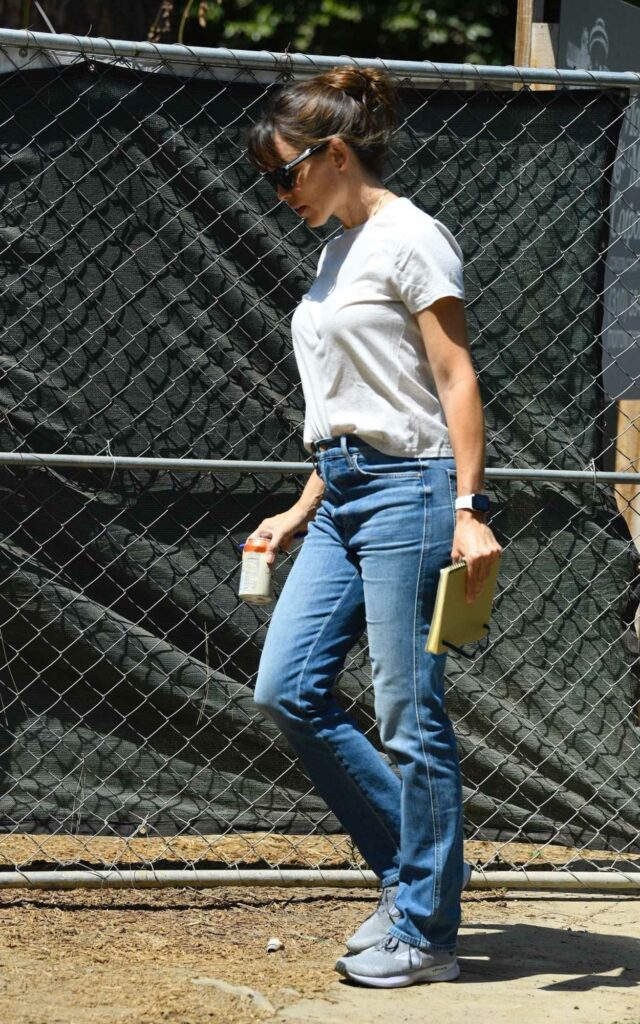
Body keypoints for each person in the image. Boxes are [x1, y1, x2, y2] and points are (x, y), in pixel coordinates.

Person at [244, 65, 502, 989]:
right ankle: (413, 878)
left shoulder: (408, 237)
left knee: (409, 714)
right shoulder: (334, 251)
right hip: (346, 493)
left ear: (334, 153)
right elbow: (351, 403)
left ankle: (427, 928)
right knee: (287, 688)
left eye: (284, 175)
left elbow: (454, 377)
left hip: (417, 492)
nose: (278, 194)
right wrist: (300, 506)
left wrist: (471, 509)